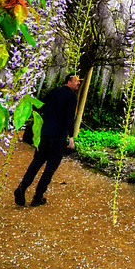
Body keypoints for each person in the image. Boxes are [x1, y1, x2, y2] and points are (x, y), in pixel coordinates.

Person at [14, 73, 80, 208]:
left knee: (37, 160)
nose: (78, 83)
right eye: (76, 81)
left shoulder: (54, 91)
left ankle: (22, 186)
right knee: (51, 166)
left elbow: (40, 105)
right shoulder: (72, 96)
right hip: (58, 136)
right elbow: (69, 117)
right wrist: (71, 137)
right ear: (69, 81)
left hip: (45, 132)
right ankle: (38, 197)